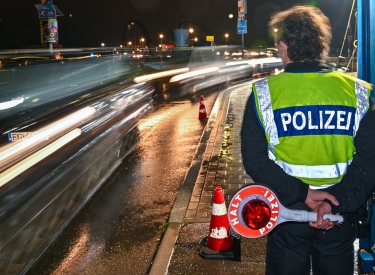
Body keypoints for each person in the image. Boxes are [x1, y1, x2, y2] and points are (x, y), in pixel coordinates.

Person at [240, 5, 375, 275]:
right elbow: (369, 161)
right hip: (339, 215)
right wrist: (333, 201)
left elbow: (255, 161)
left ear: (284, 46)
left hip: (288, 214)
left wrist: (305, 195)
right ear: (321, 45)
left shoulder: (263, 94)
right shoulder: (359, 92)